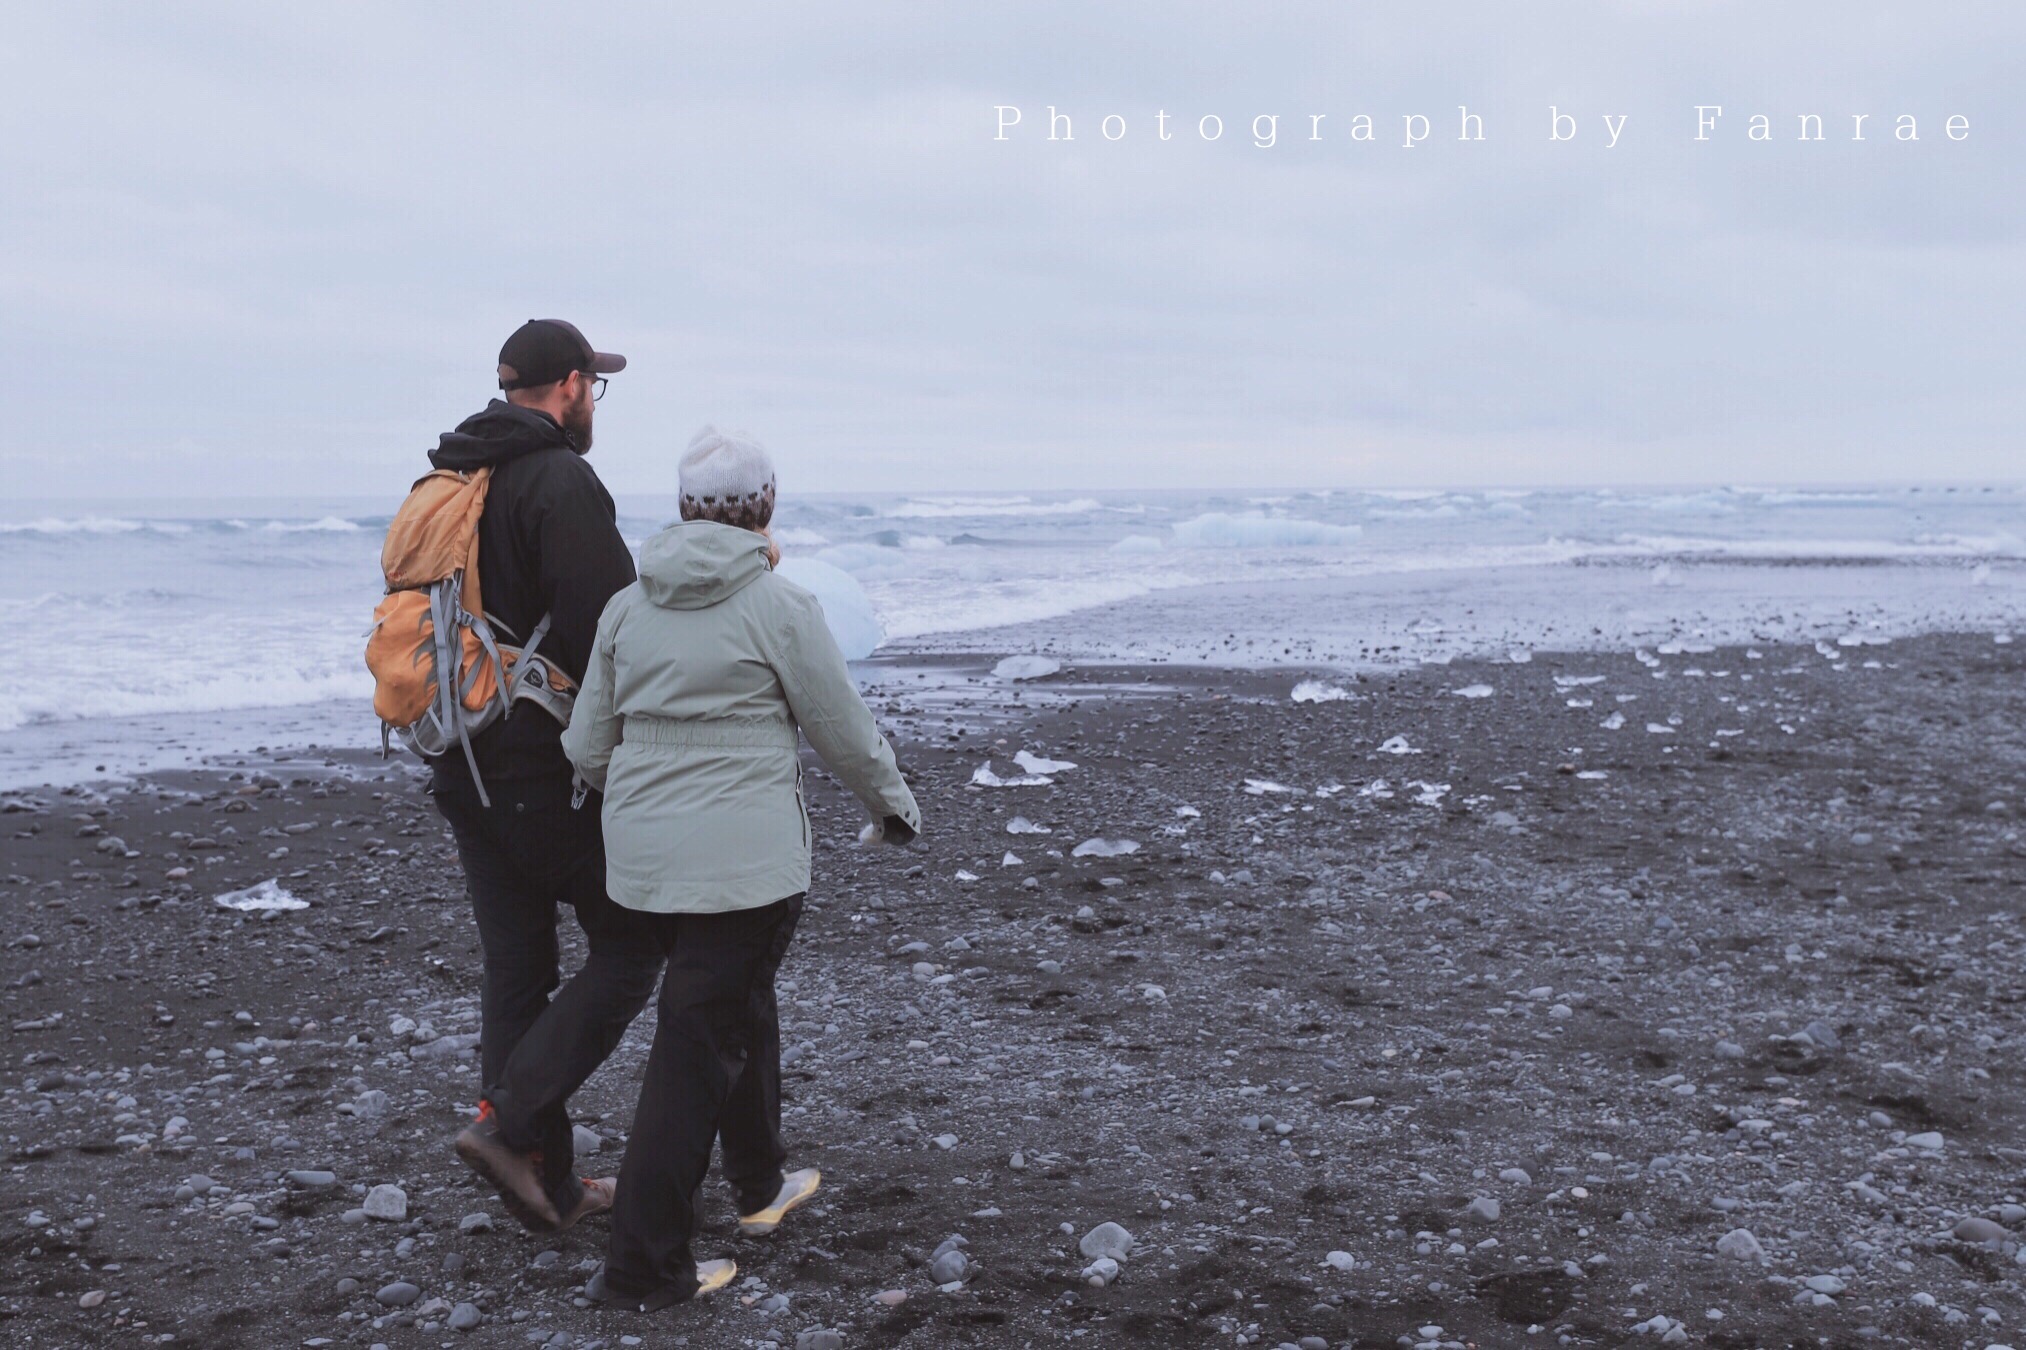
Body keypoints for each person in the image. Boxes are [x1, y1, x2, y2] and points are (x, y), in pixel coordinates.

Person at [565, 425, 922, 1309]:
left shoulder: (626, 607)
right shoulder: (780, 605)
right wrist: (892, 808)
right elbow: (842, 731)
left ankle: (760, 1186)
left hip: (642, 864)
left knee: (729, 1003)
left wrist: (648, 802)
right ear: (764, 505)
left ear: (685, 509)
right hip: (749, 866)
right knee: (698, 1042)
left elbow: (585, 743)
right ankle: (643, 1268)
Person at [429, 320, 665, 1232]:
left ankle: (546, 1182)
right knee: (634, 943)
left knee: (518, 970)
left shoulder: (454, 476)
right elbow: (615, 632)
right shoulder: (559, 480)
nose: (592, 403)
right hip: (537, 769)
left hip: (460, 757)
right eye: (592, 387)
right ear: (569, 386)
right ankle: (510, 1125)